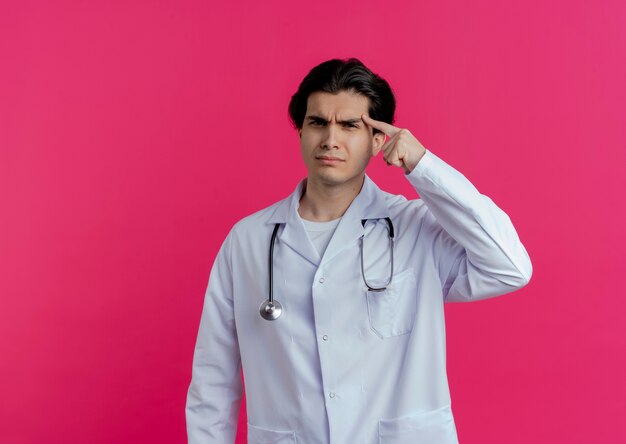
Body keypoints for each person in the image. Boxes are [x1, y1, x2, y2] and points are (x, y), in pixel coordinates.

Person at [185, 58, 532, 444]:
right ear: (300, 130)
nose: (330, 139)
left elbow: (510, 266)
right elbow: (213, 379)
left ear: (379, 139)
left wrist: (423, 165)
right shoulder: (248, 242)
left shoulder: (415, 229)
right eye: (318, 122)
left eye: (351, 125)